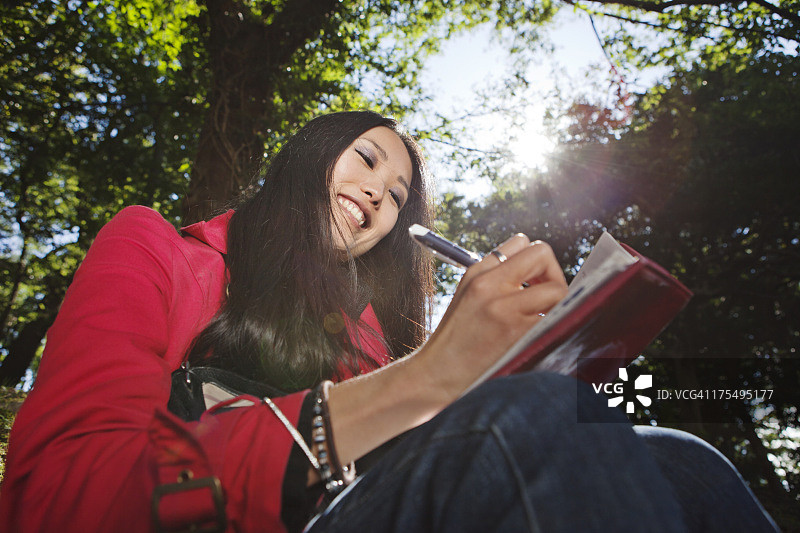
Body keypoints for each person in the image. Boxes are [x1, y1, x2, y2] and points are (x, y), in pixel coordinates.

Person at [0, 111, 777, 533]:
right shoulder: (159, 250)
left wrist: (484, 371)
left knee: (681, 456)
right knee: (529, 421)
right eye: (367, 159)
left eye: (400, 193)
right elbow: (54, 500)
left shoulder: (367, 343)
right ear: (312, 153)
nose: (381, 193)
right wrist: (425, 379)